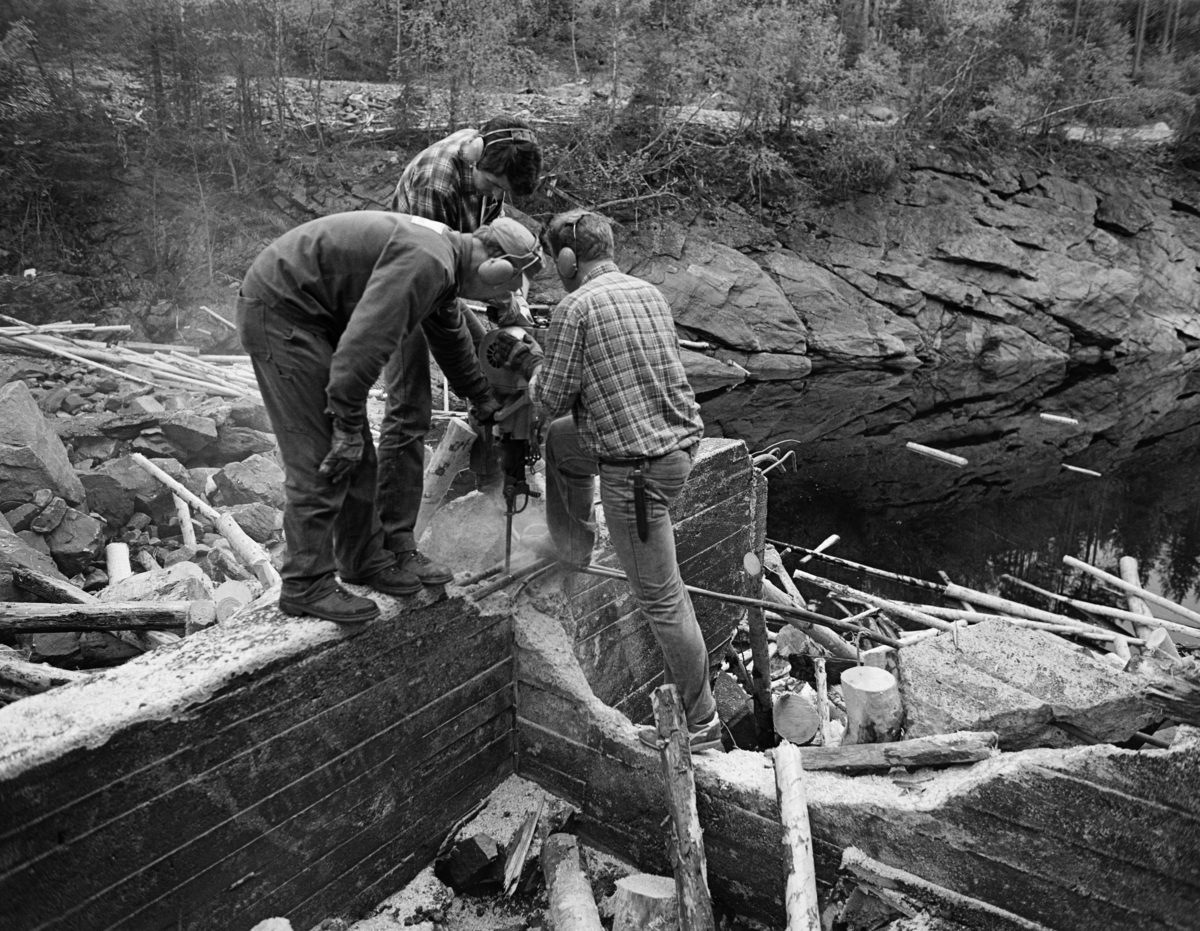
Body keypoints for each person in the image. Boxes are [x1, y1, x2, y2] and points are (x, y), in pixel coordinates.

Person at [236, 211, 542, 624]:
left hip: (311, 316)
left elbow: (451, 340)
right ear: (494, 265)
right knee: (325, 451)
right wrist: (345, 423)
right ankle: (304, 584)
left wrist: (482, 399)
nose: (499, 299)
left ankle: (364, 559)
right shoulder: (428, 261)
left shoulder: (444, 260)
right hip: (283, 313)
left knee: (358, 452)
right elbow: (365, 345)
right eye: (507, 287)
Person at [495, 209, 721, 752]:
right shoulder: (648, 292)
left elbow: (548, 398)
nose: (555, 267)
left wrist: (527, 362)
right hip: (677, 447)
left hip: (637, 475)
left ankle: (703, 726)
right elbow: (580, 400)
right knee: (564, 443)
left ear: (569, 258)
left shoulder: (576, 306)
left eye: (555, 259)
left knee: (663, 600)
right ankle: (574, 548)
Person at [380, 116, 543, 586]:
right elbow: (439, 291)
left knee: (503, 370)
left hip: (444, 280)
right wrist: (471, 384)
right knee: (410, 410)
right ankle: (394, 543)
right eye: (493, 183)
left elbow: (488, 250)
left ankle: (499, 488)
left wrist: (510, 313)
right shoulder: (438, 181)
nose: (496, 192)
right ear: (476, 157)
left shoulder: (491, 177)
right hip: (402, 285)